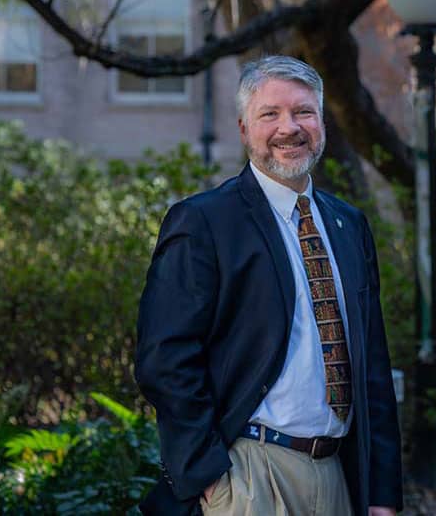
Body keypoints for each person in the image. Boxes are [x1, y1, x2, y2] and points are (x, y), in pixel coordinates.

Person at [135, 55, 402, 516]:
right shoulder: (205, 222)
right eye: (270, 114)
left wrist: (381, 490)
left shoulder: (348, 224)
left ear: (321, 122)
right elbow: (164, 358)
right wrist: (210, 476)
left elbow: (371, 364)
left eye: (303, 112)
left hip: (337, 474)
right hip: (249, 476)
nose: (289, 127)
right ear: (243, 128)